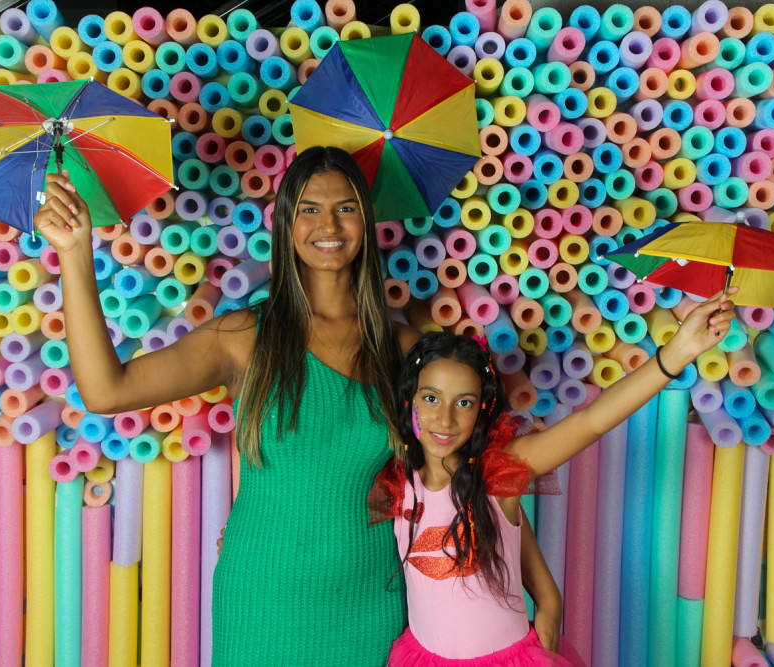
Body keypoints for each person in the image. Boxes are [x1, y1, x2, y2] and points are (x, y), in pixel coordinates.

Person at [33, 145, 560, 665]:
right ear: (286, 223)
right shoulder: (243, 337)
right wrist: (74, 254)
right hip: (262, 601)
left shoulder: (407, 352)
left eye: (345, 207)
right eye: (309, 208)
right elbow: (106, 391)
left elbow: (483, 476)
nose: (327, 225)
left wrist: (546, 595)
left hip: (373, 604)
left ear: (366, 221)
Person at [368, 290, 736, 666]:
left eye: (464, 403)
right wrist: (548, 596)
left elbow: (591, 422)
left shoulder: (497, 471)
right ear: (410, 399)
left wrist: (678, 351)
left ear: (481, 410)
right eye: (431, 398)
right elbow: (508, 535)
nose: (445, 419)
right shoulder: (398, 481)